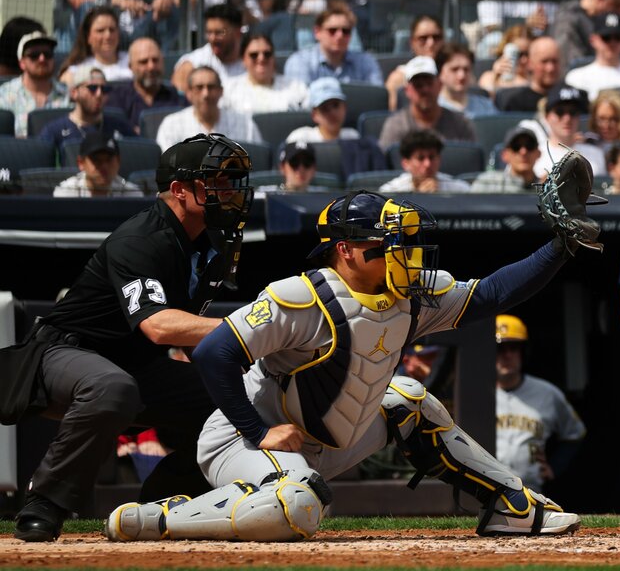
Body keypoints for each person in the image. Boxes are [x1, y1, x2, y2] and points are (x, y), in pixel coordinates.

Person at [103, 183, 594, 542]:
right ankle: (164, 518)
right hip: (243, 438)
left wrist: (560, 245)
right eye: (383, 248)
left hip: (323, 441)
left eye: (400, 245)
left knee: (411, 400)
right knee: (297, 506)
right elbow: (214, 354)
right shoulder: (300, 296)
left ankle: (510, 505)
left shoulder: (412, 294)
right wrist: (257, 430)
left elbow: (490, 293)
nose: (401, 256)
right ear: (345, 251)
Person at [1, 134, 252, 541]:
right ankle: (44, 502)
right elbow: (159, 326)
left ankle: (166, 501)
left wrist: (252, 362)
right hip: (65, 351)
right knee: (114, 389)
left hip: (135, 365)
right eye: (216, 182)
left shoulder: (210, 244)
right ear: (179, 190)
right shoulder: (141, 237)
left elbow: (190, 331)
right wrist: (248, 328)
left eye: (231, 182)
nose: (229, 192)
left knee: (233, 400)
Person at [490, 314, 585, 494]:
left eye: (514, 348)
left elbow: (575, 433)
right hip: (484, 490)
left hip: (531, 491)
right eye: (500, 349)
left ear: (523, 352)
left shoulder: (547, 393)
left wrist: (555, 467)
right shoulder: (475, 394)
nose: (507, 355)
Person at [378, 57, 478, 150]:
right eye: (418, 85)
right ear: (407, 91)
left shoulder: (460, 123)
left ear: (439, 85)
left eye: (429, 84)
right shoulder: (396, 125)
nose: (425, 90)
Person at [155, 66, 261, 151]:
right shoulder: (172, 125)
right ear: (189, 94)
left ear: (221, 91)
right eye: (199, 88)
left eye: (211, 87)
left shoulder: (245, 125)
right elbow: (167, 167)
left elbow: (257, 161)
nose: (205, 94)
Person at [36, 67, 133, 155]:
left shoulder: (120, 128)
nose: (99, 94)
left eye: (104, 89)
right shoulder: (53, 131)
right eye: (92, 88)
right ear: (74, 93)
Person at [283, 6, 383, 86]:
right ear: (317, 32)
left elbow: (376, 99)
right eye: (332, 30)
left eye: (346, 31)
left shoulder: (365, 61)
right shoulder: (300, 61)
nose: (340, 36)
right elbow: (300, 103)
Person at [105, 37, 183, 133]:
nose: (151, 67)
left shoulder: (177, 99)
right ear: (130, 67)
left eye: (155, 60)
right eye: (143, 62)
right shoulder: (117, 100)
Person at [0, 31, 69, 136]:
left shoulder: (69, 94)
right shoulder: (4, 94)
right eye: (34, 55)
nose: (42, 59)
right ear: (22, 63)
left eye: (47, 54)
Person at [222, 34, 307, 116]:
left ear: (273, 57)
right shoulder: (228, 89)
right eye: (254, 55)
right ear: (243, 59)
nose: (261, 58)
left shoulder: (296, 88)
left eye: (267, 54)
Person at [170, 2, 245, 93]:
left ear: (237, 33)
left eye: (219, 33)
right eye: (209, 32)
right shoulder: (193, 63)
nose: (212, 39)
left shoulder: (255, 60)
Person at [52, 128, 143, 198]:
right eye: (96, 160)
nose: (104, 166)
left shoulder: (132, 195)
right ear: (81, 163)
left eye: (109, 160)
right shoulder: (66, 193)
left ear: (118, 161)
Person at [380, 128, 470, 194]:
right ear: (406, 163)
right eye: (420, 158)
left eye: (432, 157)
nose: (427, 164)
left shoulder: (461, 191)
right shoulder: (390, 193)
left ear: (439, 159)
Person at [58, 5, 130, 85]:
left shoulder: (134, 61)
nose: (108, 36)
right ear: (88, 37)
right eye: (100, 31)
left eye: (112, 30)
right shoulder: (75, 72)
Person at [496, 35, 562, 115]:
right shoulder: (516, 103)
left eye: (555, 61)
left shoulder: (572, 100)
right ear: (530, 63)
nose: (550, 68)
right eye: (544, 62)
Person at [472, 127, 543, 194]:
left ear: (538, 153)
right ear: (504, 155)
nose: (523, 152)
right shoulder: (486, 184)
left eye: (529, 146)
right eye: (516, 147)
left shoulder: (548, 189)